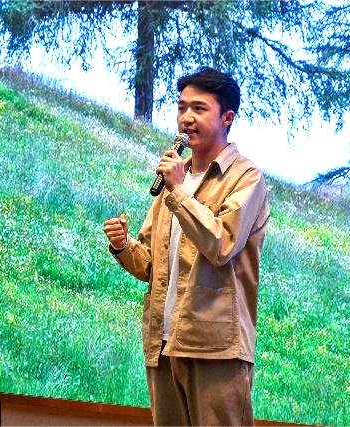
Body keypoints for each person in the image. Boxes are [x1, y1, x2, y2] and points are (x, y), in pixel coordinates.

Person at [103, 67, 269, 427]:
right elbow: (150, 263)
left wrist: (178, 190)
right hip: (163, 345)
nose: (186, 118)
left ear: (227, 118)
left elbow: (222, 244)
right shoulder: (174, 178)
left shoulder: (246, 177)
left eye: (198, 108)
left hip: (216, 349)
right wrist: (123, 245)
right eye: (181, 108)